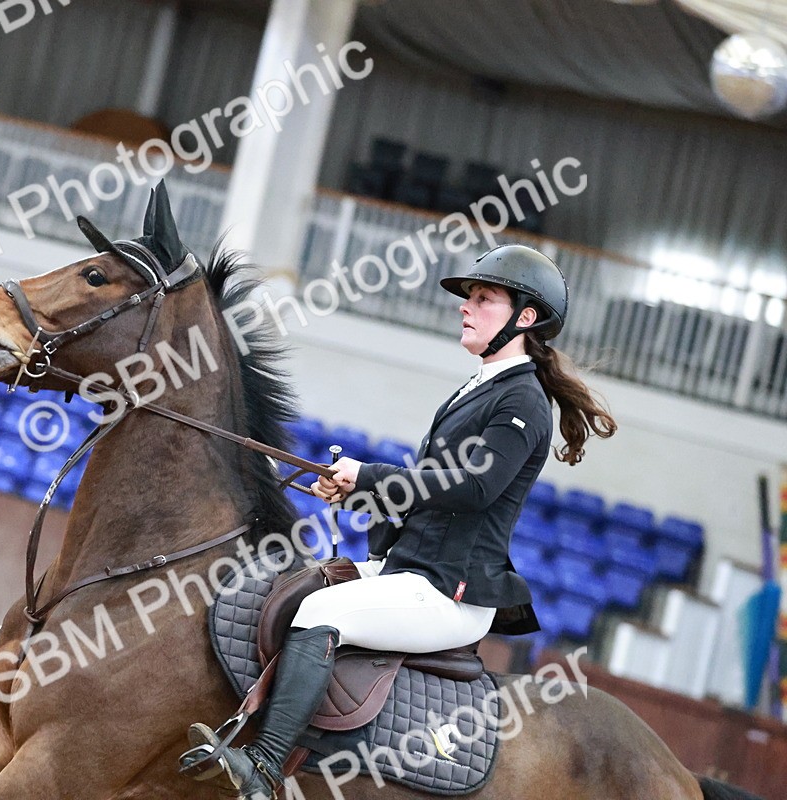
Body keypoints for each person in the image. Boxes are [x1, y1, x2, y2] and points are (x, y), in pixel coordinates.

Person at [183, 244, 617, 799]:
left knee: (320, 613)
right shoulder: (477, 389)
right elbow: (431, 492)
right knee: (291, 589)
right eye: (469, 297)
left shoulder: (523, 401)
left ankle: (264, 769)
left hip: (449, 592)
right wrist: (357, 491)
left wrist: (370, 476)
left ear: (525, 317)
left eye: (483, 298)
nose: (465, 306)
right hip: (409, 568)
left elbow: (473, 487)